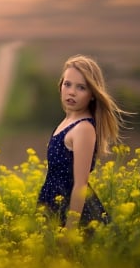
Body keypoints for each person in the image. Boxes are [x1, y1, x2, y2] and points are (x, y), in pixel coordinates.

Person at [37, 54, 128, 229]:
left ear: (93, 94)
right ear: (61, 86)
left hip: (73, 215)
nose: (71, 91)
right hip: (54, 206)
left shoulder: (83, 128)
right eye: (67, 84)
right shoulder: (66, 122)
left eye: (81, 87)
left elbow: (80, 185)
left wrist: (70, 233)